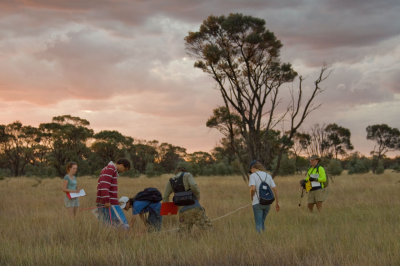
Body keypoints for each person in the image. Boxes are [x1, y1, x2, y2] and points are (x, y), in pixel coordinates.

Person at [163, 166, 212, 233]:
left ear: (176, 172)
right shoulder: (187, 175)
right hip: (195, 207)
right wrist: (197, 197)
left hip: (182, 211)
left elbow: (165, 196)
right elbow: (194, 185)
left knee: (184, 234)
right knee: (208, 230)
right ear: (184, 171)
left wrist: (169, 211)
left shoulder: (171, 180)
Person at [96, 159, 131, 229]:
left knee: (108, 226)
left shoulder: (108, 169)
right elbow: (104, 186)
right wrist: (107, 201)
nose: (123, 171)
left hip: (105, 202)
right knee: (123, 225)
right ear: (121, 165)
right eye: (124, 169)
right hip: (109, 204)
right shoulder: (111, 169)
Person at [248, 160, 280, 233]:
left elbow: (252, 188)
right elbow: (275, 189)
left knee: (258, 223)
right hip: (268, 203)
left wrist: (252, 198)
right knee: (262, 222)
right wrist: (277, 203)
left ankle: (259, 240)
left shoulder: (252, 176)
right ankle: (264, 237)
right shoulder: (268, 175)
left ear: (253, 168)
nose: (251, 172)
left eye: (251, 170)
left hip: (257, 203)